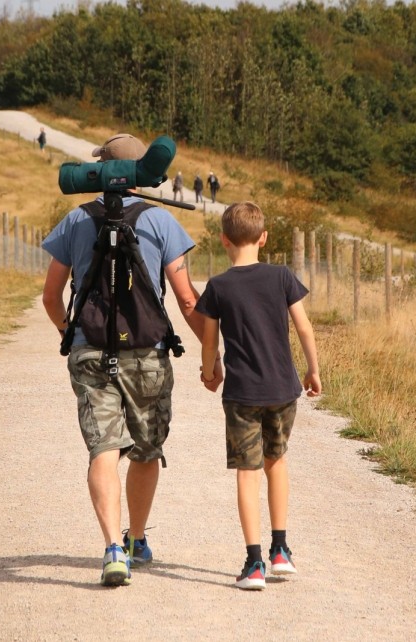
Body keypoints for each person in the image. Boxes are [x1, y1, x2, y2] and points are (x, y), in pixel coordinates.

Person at [41, 132, 223, 588]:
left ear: (100, 170)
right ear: (143, 173)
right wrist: (211, 353)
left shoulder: (74, 220)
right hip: (148, 355)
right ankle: (137, 538)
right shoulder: (161, 223)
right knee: (145, 450)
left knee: (104, 449)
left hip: (91, 351)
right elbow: (185, 300)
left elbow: (50, 296)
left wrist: (72, 335)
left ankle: (112, 549)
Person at [195, 201, 321, 591]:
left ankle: (254, 564)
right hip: (283, 389)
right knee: (276, 463)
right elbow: (304, 328)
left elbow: (210, 340)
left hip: (242, 394)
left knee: (247, 474)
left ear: (223, 240)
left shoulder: (218, 286)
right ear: (263, 238)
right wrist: (313, 369)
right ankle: (280, 550)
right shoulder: (282, 277)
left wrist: (209, 371)